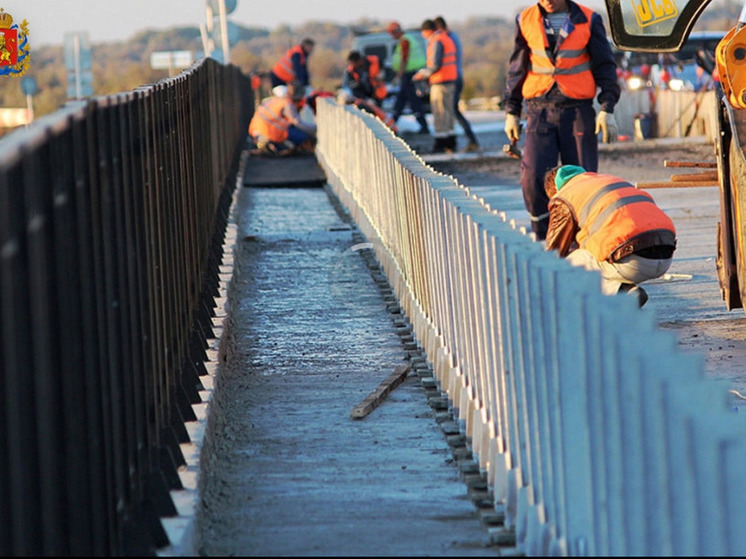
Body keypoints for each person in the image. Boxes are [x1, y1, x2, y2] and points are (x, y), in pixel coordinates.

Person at [504, 0, 621, 240]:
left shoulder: (590, 19)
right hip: (539, 110)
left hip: (577, 110)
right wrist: (511, 112)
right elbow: (517, 68)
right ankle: (542, 234)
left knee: (581, 178)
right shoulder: (524, 20)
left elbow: (605, 66)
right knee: (533, 176)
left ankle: (579, 237)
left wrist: (607, 108)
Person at [544, 165, 677, 308]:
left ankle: (621, 293)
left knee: (568, 263)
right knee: (595, 247)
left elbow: (553, 254)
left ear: (555, 191)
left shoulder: (565, 196)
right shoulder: (610, 181)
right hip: (666, 257)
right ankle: (626, 291)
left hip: (633, 261)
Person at [433, 16, 479, 153]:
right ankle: (464, 140)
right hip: (456, 76)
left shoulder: (446, 39)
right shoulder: (453, 37)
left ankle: (470, 140)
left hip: (452, 78)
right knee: (453, 110)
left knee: (453, 110)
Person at [413, 19, 458, 154]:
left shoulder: (436, 41)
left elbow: (435, 65)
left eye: (423, 32)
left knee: (439, 112)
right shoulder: (446, 38)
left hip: (440, 82)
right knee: (448, 113)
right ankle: (451, 142)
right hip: (450, 80)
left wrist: (422, 75)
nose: (422, 36)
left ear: (427, 31)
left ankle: (441, 143)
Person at [248, 80, 317, 156]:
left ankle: (269, 146)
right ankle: (301, 148)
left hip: (256, 132)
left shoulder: (274, 100)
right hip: (270, 132)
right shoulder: (287, 105)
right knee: (302, 136)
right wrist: (316, 130)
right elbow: (298, 123)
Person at [386, 21, 430, 135]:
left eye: (392, 34)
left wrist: (398, 75)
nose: (392, 36)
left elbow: (404, 59)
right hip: (410, 74)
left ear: (396, 32)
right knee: (401, 100)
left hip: (410, 75)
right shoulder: (407, 39)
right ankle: (392, 123)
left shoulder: (405, 41)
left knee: (413, 101)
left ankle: (423, 126)